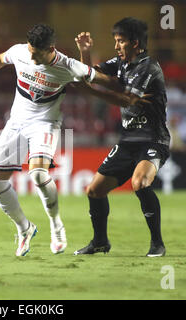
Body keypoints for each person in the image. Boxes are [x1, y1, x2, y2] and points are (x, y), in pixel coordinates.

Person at [0, 24, 100, 256]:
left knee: (39, 174)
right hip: (16, 123)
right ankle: (25, 228)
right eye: (29, 49)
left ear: (50, 48)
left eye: (36, 52)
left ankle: (56, 225)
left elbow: (87, 79)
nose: (30, 55)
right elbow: (0, 59)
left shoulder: (65, 65)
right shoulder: (21, 51)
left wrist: (85, 52)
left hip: (45, 123)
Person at [73, 17, 171, 257]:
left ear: (135, 43)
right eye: (115, 41)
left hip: (153, 139)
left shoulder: (149, 68)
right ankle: (99, 242)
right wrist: (85, 54)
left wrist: (90, 90)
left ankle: (157, 243)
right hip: (127, 141)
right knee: (94, 190)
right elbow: (88, 75)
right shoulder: (119, 63)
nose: (116, 46)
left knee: (140, 183)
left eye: (120, 41)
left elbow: (127, 98)